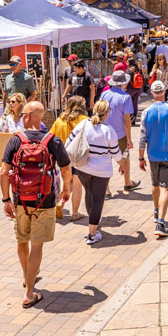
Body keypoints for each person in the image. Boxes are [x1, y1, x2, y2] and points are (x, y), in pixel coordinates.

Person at [0, 101, 72, 309]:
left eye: (24, 113)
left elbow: (3, 172)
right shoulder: (53, 141)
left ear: (29, 116)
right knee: (37, 245)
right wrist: (66, 190)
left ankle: (27, 278)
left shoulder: (16, 141)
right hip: (45, 200)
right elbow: (66, 169)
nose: (22, 116)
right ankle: (29, 292)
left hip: (20, 200)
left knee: (22, 241)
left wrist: (6, 199)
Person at [66, 100, 123, 244]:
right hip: (101, 171)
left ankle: (93, 222)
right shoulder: (108, 130)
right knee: (98, 199)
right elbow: (116, 152)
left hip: (82, 168)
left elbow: (68, 142)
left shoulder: (84, 124)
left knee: (89, 194)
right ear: (107, 113)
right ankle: (92, 233)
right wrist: (121, 164)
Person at [139, 80, 168, 237]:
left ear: (152, 93)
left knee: (155, 184)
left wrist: (140, 157)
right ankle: (160, 222)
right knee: (165, 187)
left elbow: (142, 137)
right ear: (165, 91)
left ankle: (156, 210)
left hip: (152, 154)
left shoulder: (146, 112)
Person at [50, 96, 89, 221]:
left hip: (62, 157)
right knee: (77, 185)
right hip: (77, 156)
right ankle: (75, 213)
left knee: (67, 182)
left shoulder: (60, 119)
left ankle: (61, 203)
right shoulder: (84, 120)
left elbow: (51, 136)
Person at [100, 71, 138, 192]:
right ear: (123, 83)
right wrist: (129, 139)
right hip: (119, 134)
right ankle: (127, 182)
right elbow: (127, 120)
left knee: (105, 159)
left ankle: (106, 189)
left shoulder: (104, 94)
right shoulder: (125, 97)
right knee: (125, 157)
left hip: (104, 133)